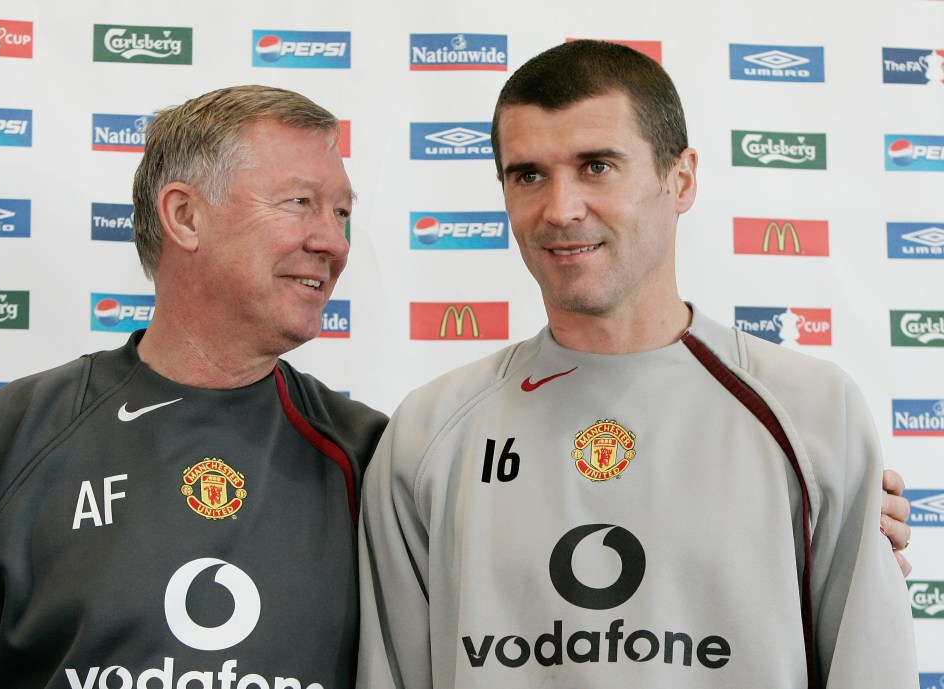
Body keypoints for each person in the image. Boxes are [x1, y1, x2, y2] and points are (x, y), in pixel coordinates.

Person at [356, 41, 918, 688]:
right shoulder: (428, 432)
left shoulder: (813, 414)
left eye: (597, 166)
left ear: (680, 180)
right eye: (528, 174)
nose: (561, 208)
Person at [0, 85, 387, 688]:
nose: (332, 241)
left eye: (341, 213)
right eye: (300, 202)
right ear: (185, 217)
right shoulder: (12, 435)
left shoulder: (374, 455)